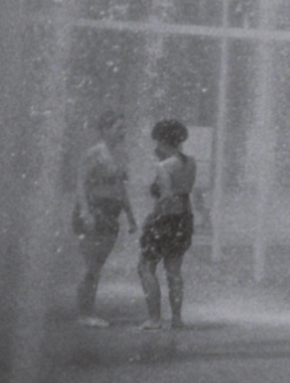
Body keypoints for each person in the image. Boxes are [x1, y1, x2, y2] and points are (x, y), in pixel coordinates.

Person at [73, 111, 135, 327]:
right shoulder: (94, 153)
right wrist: (85, 213)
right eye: (118, 128)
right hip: (94, 211)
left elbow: (120, 188)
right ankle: (84, 314)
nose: (123, 132)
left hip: (111, 214)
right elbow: (81, 184)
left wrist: (130, 215)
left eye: (124, 128)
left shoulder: (120, 154)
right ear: (105, 130)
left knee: (97, 265)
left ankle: (88, 311)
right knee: (90, 265)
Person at [137, 119, 198, 331]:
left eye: (157, 141)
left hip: (164, 218)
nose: (155, 146)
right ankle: (177, 319)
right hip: (184, 218)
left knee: (145, 267)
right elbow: (184, 192)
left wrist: (151, 219)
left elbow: (166, 197)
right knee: (174, 271)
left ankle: (154, 318)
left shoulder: (164, 166)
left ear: (164, 141)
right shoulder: (191, 162)